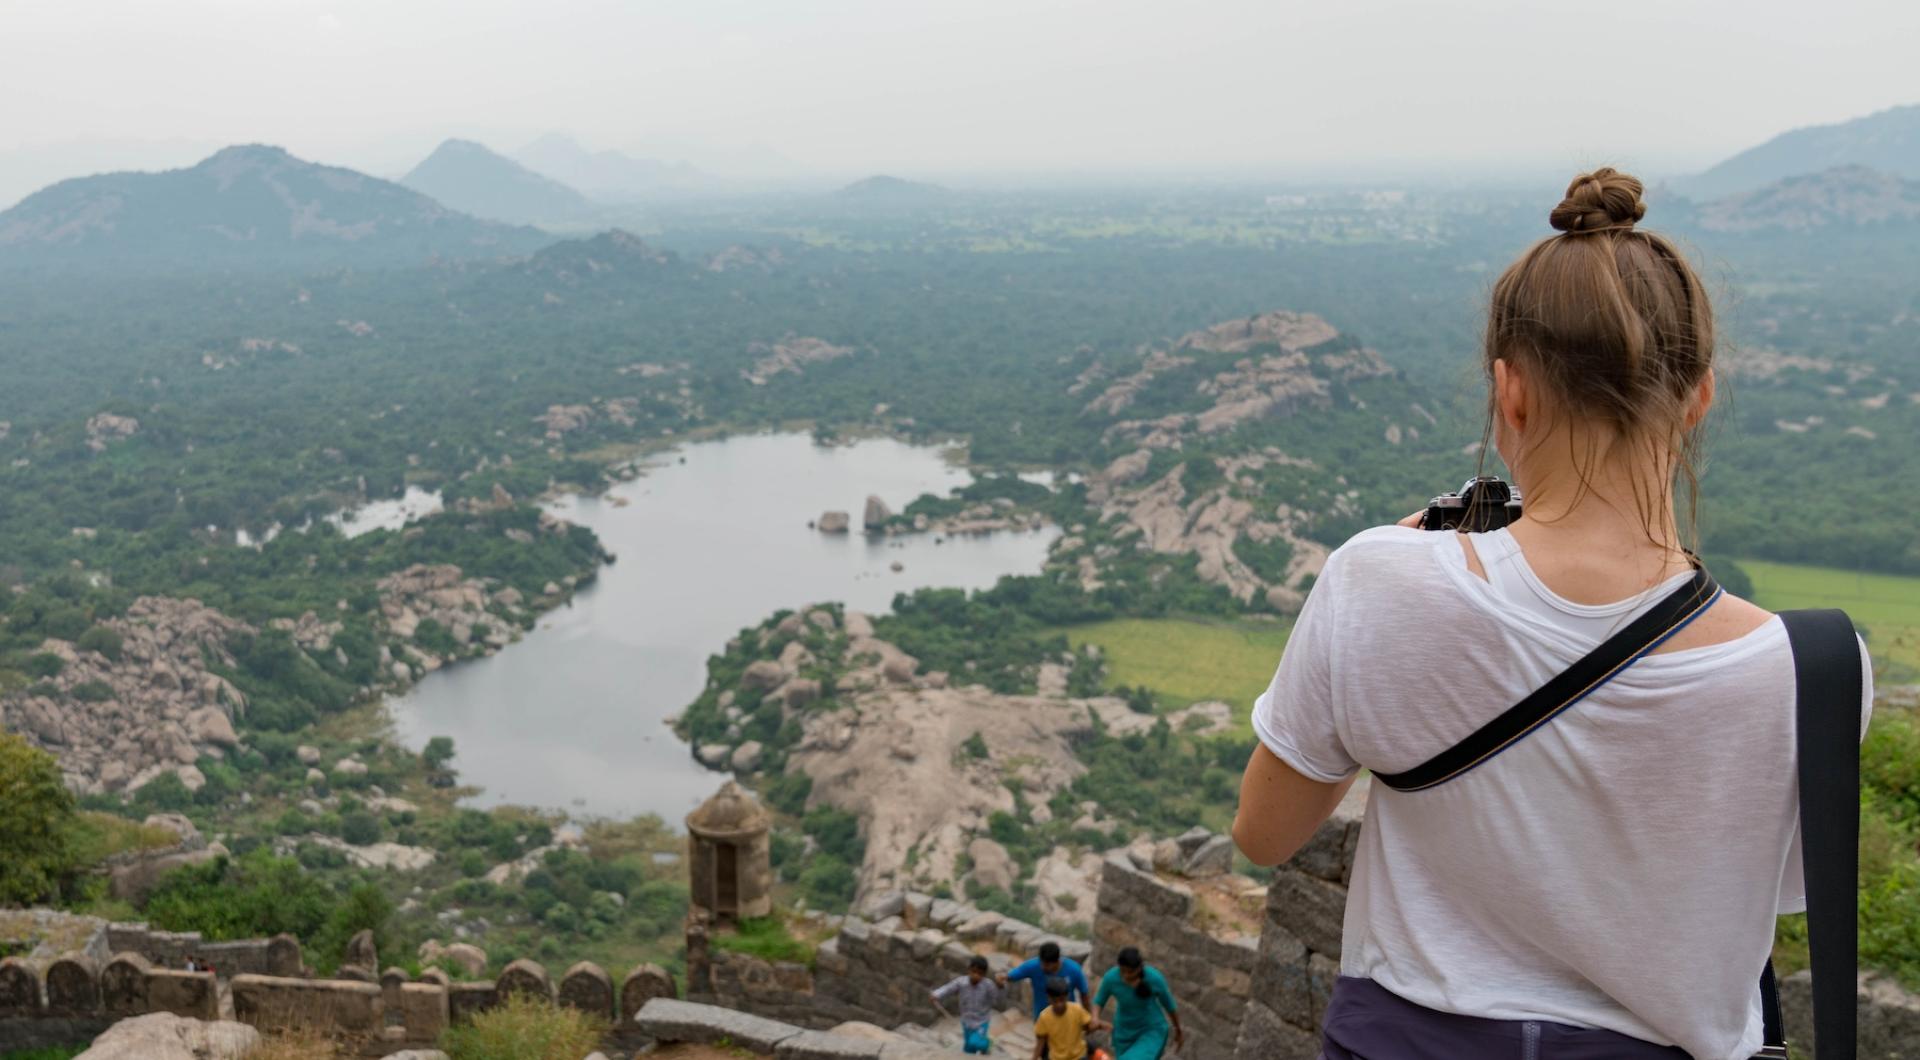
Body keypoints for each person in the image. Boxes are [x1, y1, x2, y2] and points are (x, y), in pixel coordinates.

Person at [1231, 167, 1874, 1060]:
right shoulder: (1814, 671)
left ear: (1510, 392)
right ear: (1699, 398)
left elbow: (1263, 836)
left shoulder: (1377, 580)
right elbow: (1773, 894)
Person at [1092, 947, 1182, 1060]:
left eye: (1130, 972)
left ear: (1139, 968)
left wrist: (1178, 1029)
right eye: (1122, 971)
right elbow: (1099, 1000)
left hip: (1151, 1030)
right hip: (1123, 1033)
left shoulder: (1154, 978)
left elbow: (1170, 1006)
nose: (1126, 976)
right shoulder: (1111, 978)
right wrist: (1095, 1018)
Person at [931, 954, 1007, 1055]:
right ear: (969, 970)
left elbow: (998, 999)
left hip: (981, 1022)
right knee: (968, 1049)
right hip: (966, 1021)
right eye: (973, 971)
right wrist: (936, 994)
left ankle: (988, 1043)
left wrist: (1000, 987)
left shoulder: (988, 986)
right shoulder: (961, 982)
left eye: (980, 973)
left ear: (984, 974)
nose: (976, 975)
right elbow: (948, 988)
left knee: (975, 1043)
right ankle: (981, 1050)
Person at [1007, 941, 1090, 1022]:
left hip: (1067, 1019)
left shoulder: (1074, 970)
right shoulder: (1033, 966)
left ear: (1057, 961)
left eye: (1047, 965)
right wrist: (1003, 977)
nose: (1043, 967)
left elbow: (1084, 994)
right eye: (1041, 963)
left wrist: (1087, 1017)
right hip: (1042, 1019)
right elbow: (1012, 975)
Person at [1032, 977, 1097, 1060]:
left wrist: (1094, 1025)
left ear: (1067, 996)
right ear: (1049, 998)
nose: (1059, 1004)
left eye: (1062, 1000)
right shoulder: (1044, 1017)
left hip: (1078, 1056)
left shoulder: (1077, 1010)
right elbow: (1040, 1043)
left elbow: (1089, 1026)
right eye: (1055, 1001)